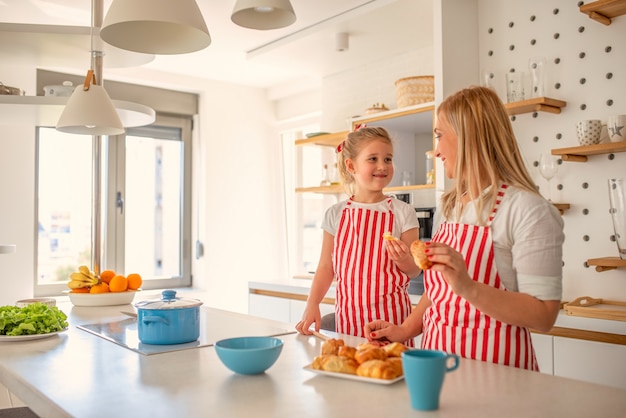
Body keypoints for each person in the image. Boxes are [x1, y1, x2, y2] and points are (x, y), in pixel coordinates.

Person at [365, 86, 564, 371]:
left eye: (439, 135)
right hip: (435, 371)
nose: (436, 150)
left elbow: (544, 316)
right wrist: (405, 330)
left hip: (499, 378)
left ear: (468, 136)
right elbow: (438, 291)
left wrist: (469, 287)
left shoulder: (526, 209)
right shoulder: (449, 206)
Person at [295, 126, 421, 344]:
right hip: (348, 324)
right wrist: (312, 303)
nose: (382, 166)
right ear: (351, 165)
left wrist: (404, 259)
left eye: (388, 159)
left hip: (392, 323)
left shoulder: (403, 212)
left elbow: (415, 271)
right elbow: (326, 266)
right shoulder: (336, 214)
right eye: (373, 158)